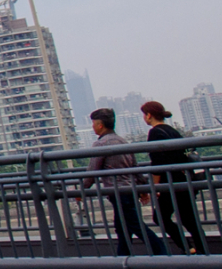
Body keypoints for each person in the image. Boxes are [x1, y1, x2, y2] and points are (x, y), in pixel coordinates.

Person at [88, 109, 164, 256]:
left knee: (135, 225)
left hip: (118, 192)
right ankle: (123, 260)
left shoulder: (100, 145)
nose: (93, 127)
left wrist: (81, 190)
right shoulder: (123, 141)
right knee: (123, 227)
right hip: (130, 190)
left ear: (100, 125)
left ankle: (162, 255)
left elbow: (92, 171)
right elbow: (134, 168)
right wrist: (142, 189)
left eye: (93, 124)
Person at [141, 100, 208, 254]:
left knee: (160, 218)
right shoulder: (171, 130)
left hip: (169, 182)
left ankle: (187, 247)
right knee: (188, 218)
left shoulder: (155, 132)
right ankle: (201, 250)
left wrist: (156, 187)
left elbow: (157, 163)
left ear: (149, 115)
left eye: (144, 115)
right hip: (183, 179)